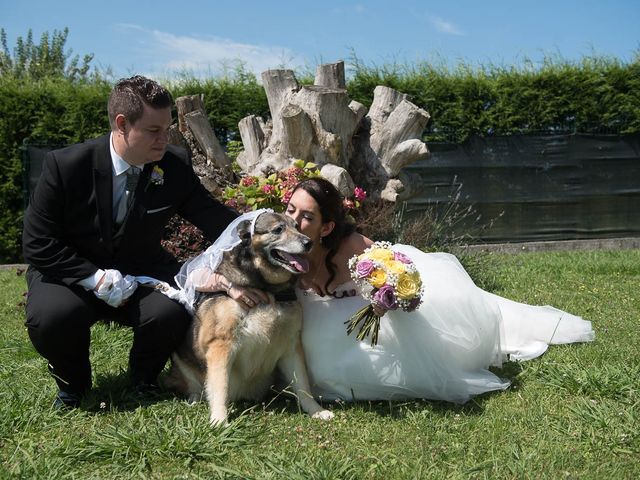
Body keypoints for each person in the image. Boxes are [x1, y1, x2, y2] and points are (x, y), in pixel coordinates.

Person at [22, 75, 246, 409]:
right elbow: (38, 242)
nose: (164, 140)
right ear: (122, 124)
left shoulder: (172, 165)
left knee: (171, 311)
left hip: (138, 269)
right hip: (69, 273)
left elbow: (213, 217)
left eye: (168, 129)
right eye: (154, 131)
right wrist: (93, 278)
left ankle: (142, 381)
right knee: (52, 316)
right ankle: (74, 386)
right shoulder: (66, 165)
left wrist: (263, 228)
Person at [283, 177, 595, 403]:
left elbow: (393, 270)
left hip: (366, 307)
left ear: (326, 228)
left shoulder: (351, 247)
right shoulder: (276, 242)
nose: (293, 220)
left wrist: (384, 297)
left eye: (307, 216)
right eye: (291, 209)